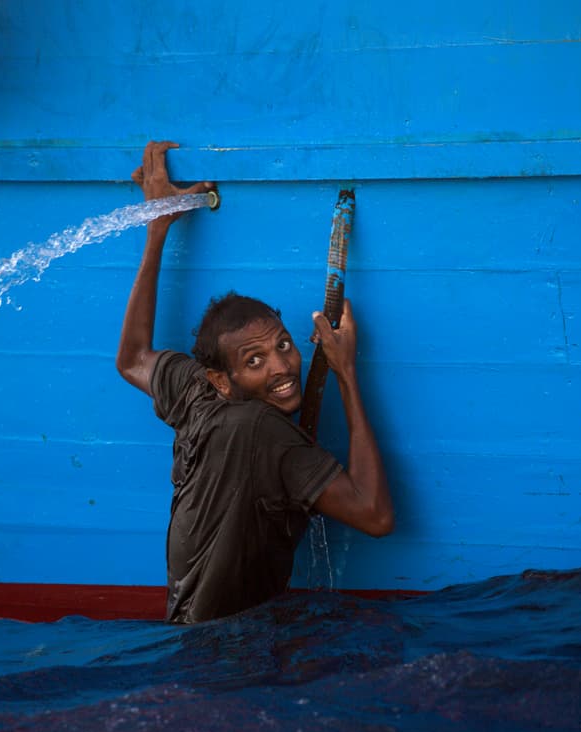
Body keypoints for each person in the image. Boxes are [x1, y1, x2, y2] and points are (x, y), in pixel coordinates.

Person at [117, 141, 394, 624]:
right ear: (223, 380)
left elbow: (132, 358)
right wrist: (347, 373)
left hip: (186, 638)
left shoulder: (196, 392)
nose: (282, 368)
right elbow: (375, 516)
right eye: (256, 361)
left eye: (284, 345)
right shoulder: (264, 431)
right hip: (233, 658)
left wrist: (157, 225)